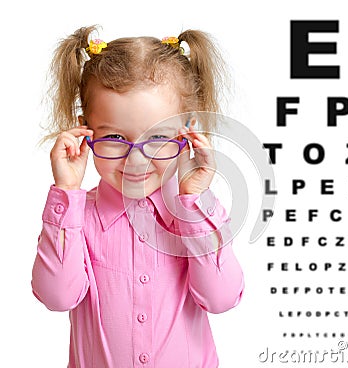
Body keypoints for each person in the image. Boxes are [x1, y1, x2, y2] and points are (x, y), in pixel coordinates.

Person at [31, 25, 244, 368]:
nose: (137, 160)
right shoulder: (76, 218)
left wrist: (193, 200)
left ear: (187, 129)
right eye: (115, 136)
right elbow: (57, 296)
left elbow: (220, 298)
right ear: (85, 130)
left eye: (158, 137)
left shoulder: (192, 216)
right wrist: (67, 192)